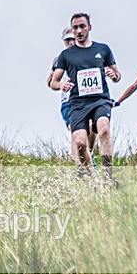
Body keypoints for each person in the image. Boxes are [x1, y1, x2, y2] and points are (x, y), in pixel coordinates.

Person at [50, 13, 121, 181]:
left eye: (82, 26)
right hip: (77, 104)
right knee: (81, 144)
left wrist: (113, 74)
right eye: (75, 28)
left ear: (89, 27)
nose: (79, 31)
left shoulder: (102, 49)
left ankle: (108, 177)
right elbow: (53, 81)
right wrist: (61, 85)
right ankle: (91, 179)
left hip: (99, 100)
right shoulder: (66, 56)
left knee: (104, 130)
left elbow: (118, 75)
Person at [48, 27, 96, 163]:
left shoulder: (88, 56)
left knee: (92, 127)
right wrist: (54, 81)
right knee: (75, 133)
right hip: (68, 102)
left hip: (87, 100)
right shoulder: (59, 59)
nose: (70, 43)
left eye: (72, 39)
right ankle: (80, 168)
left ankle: (89, 154)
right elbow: (51, 83)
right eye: (67, 40)